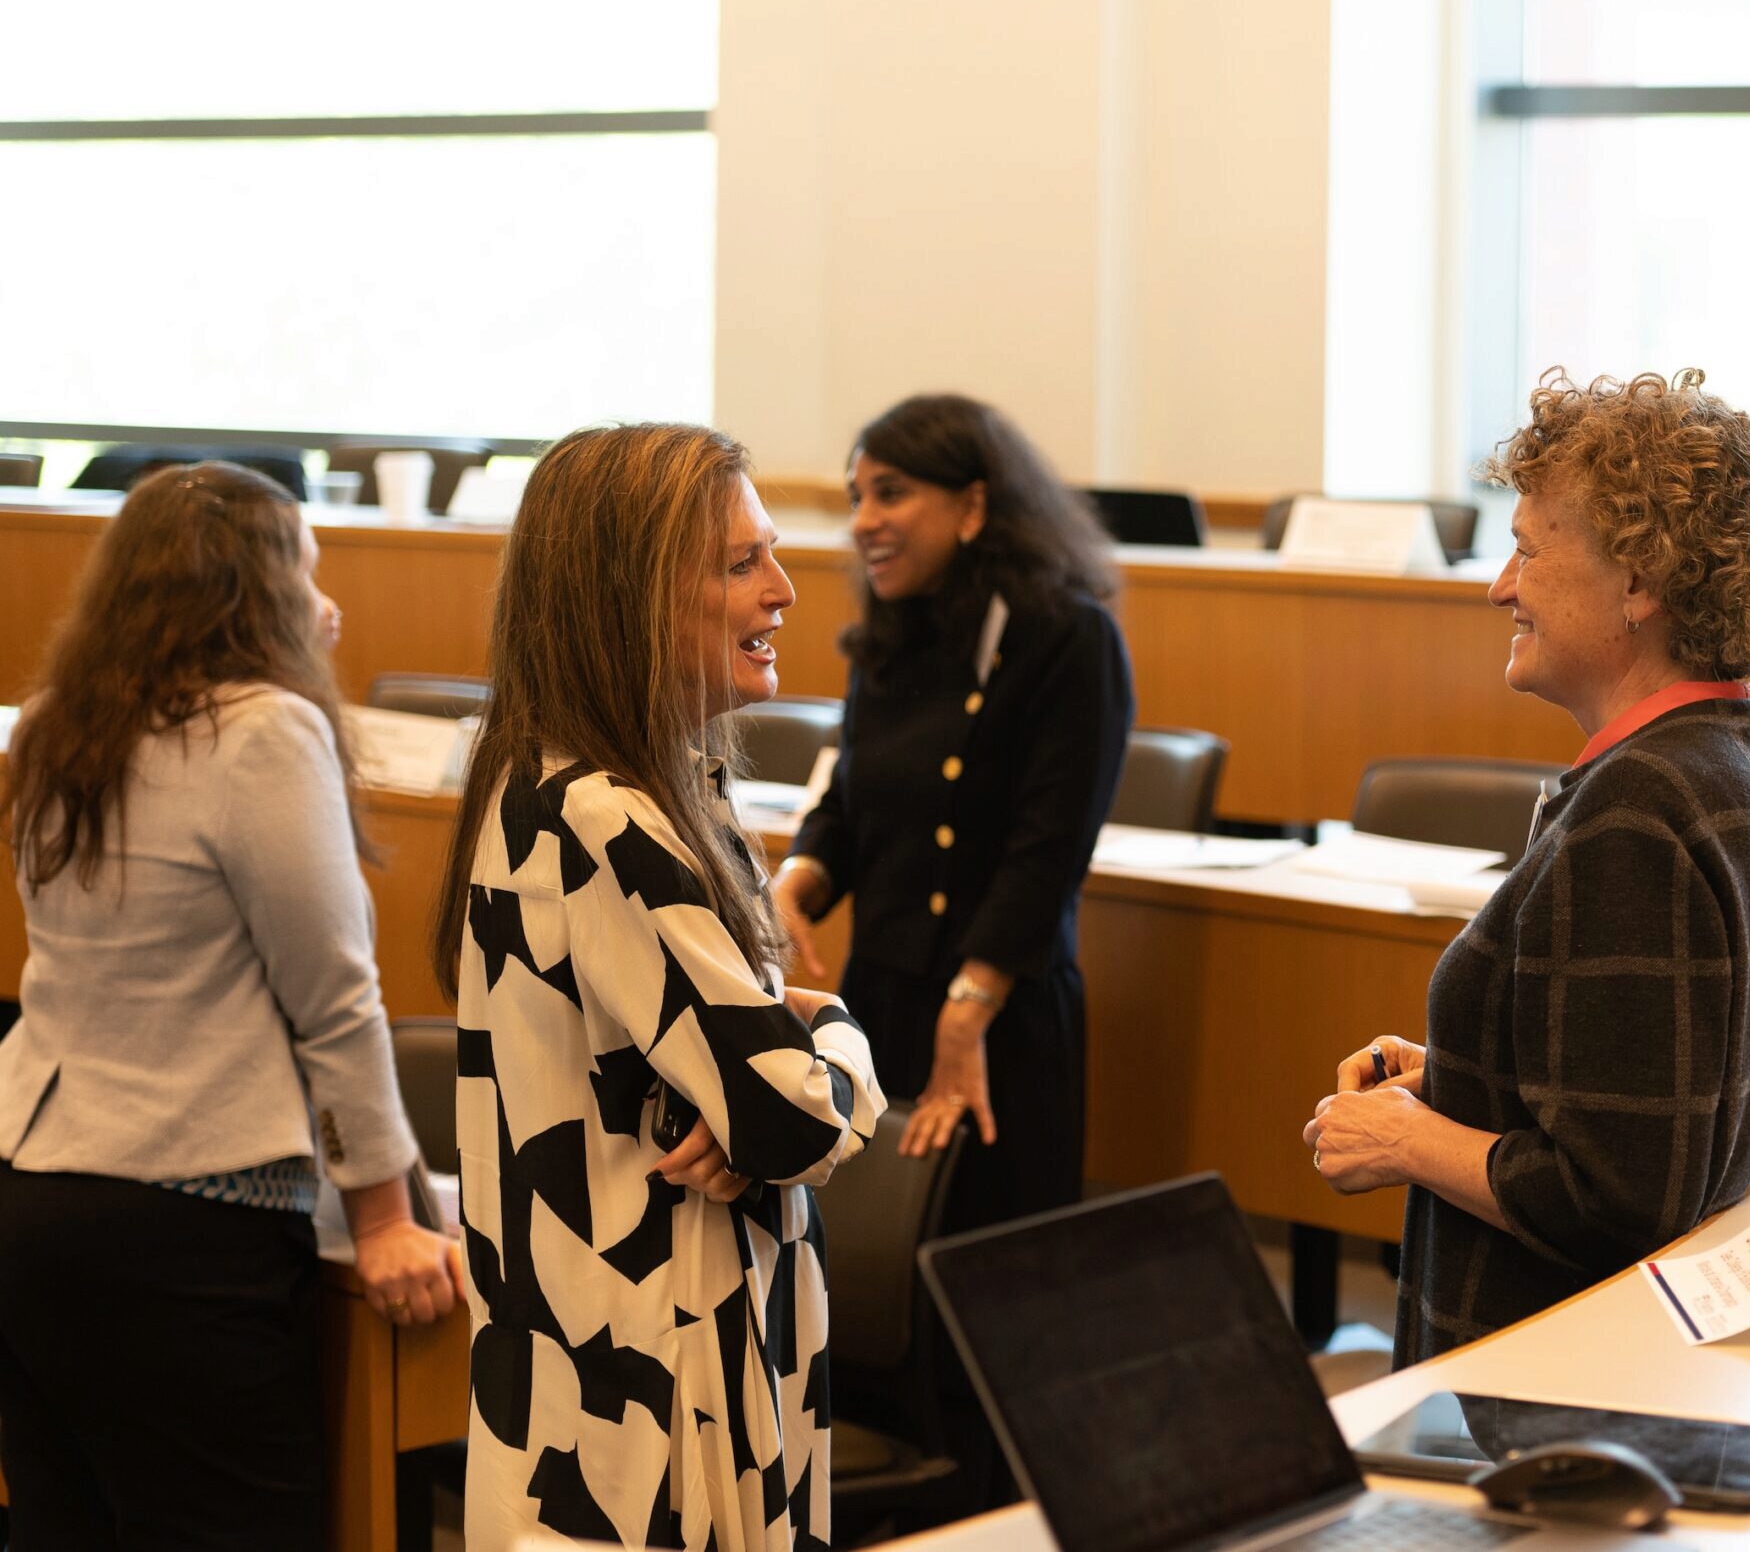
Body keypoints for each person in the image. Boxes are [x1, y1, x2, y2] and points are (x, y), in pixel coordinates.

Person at [1302, 370, 1750, 1365]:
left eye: (1529, 552)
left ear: (1637, 582)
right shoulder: (1737, 760)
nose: (1500, 585)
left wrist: (1406, 1140)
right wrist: (1468, 1077)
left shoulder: (1638, 811)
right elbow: (1670, 1107)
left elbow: (1617, 1195)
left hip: (1557, 1390)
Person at [433, 423, 885, 1551]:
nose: (784, 590)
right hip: (638, 1405)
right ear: (627, 597)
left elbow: (759, 1088)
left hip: (636, 1375)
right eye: (740, 564)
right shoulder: (601, 816)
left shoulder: (635, 781)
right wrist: (837, 1033)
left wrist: (777, 1066)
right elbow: (786, 1113)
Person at [0, 463, 458, 1550]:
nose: (328, 606)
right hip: (179, 1224)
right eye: (307, 570)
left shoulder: (60, 721)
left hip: (29, 1195)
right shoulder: (263, 731)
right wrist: (389, 1218)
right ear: (250, 592)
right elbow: (335, 997)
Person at [775, 393, 1132, 1231]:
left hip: (1001, 1015)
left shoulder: (1068, 637)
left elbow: (1046, 855)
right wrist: (798, 880)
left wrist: (967, 1015)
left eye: (890, 493)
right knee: (868, 1279)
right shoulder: (894, 632)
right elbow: (852, 797)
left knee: (982, 1283)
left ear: (974, 505)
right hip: (880, 1005)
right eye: (856, 496)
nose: (863, 521)